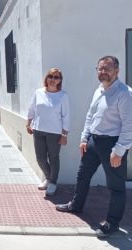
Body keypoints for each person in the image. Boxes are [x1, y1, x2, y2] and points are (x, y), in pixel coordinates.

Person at [56, 56, 132, 238]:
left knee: (116, 187)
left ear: (117, 71)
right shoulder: (99, 90)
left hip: (112, 144)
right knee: (82, 175)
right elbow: (91, 115)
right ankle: (76, 205)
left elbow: (129, 125)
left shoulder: (125, 93)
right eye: (100, 69)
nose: (103, 72)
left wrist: (119, 151)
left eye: (107, 69)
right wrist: (84, 138)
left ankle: (112, 224)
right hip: (93, 141)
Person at [27, 68, 70, 196]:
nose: (53, 79)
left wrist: (64, 134)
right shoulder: (38, 92)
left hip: (55, 133)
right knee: (40, 158)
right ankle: (48, 178)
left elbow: (66, 116)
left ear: (60, 80)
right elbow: (32, 109)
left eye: (56, 77)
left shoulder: (63, 95)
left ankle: (53, 183)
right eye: (50, 76)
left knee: (53, 158)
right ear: (46, 78)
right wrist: (28, 123)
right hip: (38, 130)